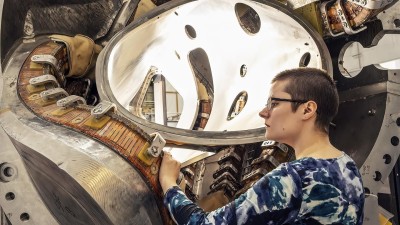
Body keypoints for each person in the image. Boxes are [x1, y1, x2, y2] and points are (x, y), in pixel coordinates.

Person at [159, 67, 365, 224]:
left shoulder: (293, 178)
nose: (263, 112)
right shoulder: (347, 167)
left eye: (274, 104)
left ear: (307, 110)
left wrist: (169, 183)